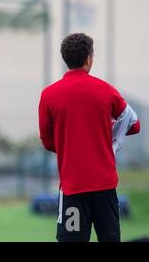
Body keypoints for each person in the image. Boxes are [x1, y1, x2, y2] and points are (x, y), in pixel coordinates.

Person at [38, 33, 140, 242]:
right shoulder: (107, 91)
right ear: (89, 59)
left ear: (66, 59)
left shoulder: (49, 95)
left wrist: (72, 145)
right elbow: (134, 124)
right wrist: (101, 136)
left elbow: (48, 141)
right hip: (105, 189)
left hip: (72, 189)